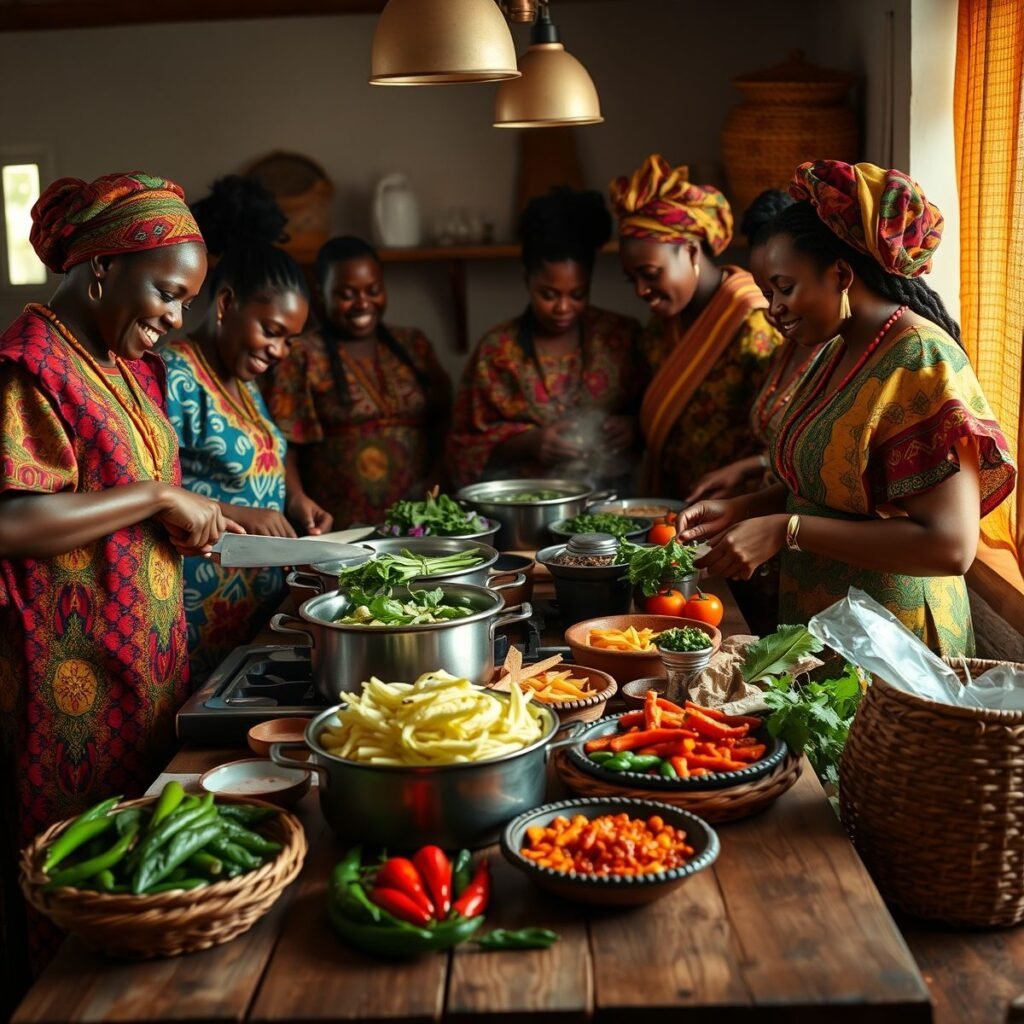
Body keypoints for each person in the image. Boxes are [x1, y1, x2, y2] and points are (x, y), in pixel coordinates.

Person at [0, 172, 239, 983]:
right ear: (103, 267)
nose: (176, 319)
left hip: (140, 668)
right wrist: (157, 495)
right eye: (168, 294)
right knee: (79, 878)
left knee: (145, 873)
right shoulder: (30, 365)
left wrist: (179, 519)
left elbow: (120, 500)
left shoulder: (123, 365)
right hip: (68, 681)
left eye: (184, 303)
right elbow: (13, 520)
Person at [678, 160, 1017, 656]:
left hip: (896, 649)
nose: (772, 308)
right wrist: (745, 509)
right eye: (767, 292)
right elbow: (831, 485)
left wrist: (787, 530)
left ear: (840, 273)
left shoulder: (920, 358)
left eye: (784, 287)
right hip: (830, 633)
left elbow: (951, 546)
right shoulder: (838, 350)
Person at [160, 178, 331, 685]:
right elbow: (147, 490)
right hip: (199, 610)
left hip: (254, 608)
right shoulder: (174, 375)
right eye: (272, 332)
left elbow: (266, 460)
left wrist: (295, 499)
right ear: (226, 303)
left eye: (289, 340)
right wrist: (238, 513)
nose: (279, 351)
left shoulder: (243, 381)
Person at [446, 188, 642, 488]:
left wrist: (633, 426)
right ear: (527, 279)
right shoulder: (497, 350)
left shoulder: (621, 337)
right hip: (526, 502)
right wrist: (529, 443)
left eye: (578, 295)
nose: (563, 308)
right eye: (548, 295)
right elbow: (462, 445)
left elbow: (659, 414)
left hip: (613, 501)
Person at [610, 154, 781, 497]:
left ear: (689, 252)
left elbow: (785, 438)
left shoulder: (755, 323)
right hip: (673, 506)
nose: (641, 291)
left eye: (650, 274)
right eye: (632, 279)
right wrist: (635, 428)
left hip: (739, 510)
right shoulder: (662, 326)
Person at [268, 236, 450, 526]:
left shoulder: (414, 345)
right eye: (347, 294)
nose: (363, 303)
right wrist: (297, 499)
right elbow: (286, 444)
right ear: (321, 292)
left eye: (373, 290)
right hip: (337, 525)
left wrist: (437, 478)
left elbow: (446, 421)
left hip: (418, 520)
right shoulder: (301, 355)